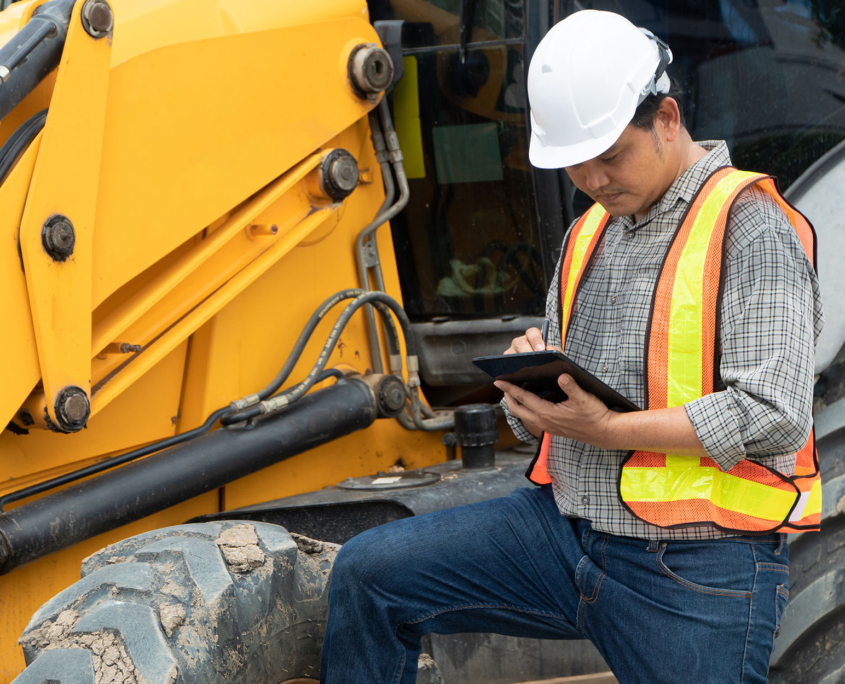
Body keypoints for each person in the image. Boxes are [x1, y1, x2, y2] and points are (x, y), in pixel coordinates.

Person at [320, 10, 823, 684]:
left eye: (610, 156)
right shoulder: (592, 230)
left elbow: (772, 413)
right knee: (369, 575)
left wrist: (610, 429)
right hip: (563, 533)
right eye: (574, 164)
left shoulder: (752, 226)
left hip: (694, 566)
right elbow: (562, 405)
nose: (591, 178)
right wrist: (529, 404)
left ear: (666, 120)